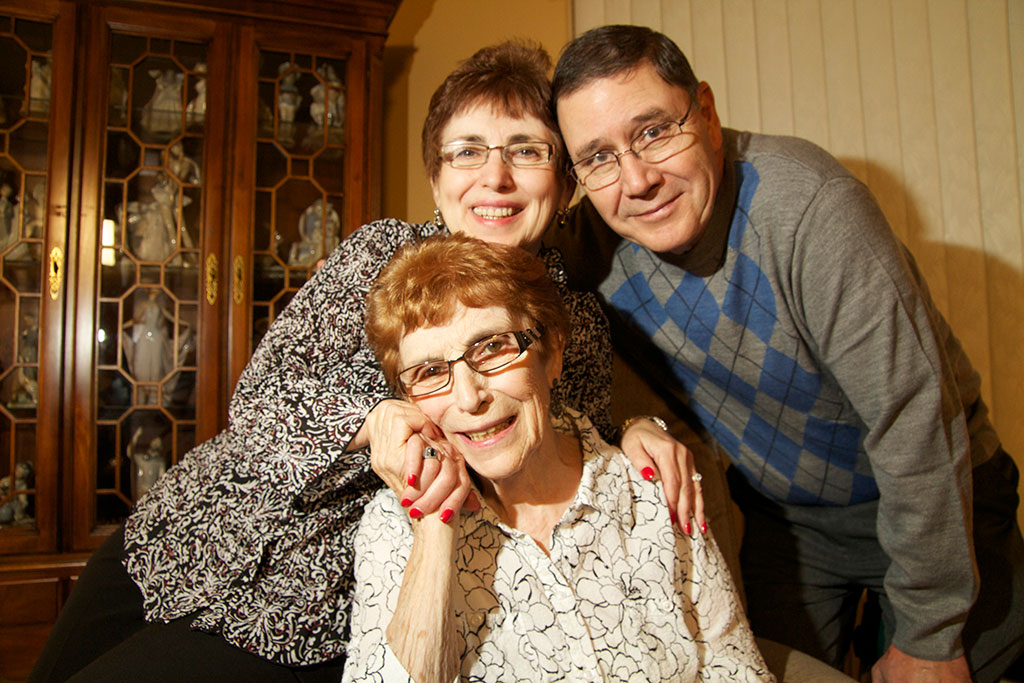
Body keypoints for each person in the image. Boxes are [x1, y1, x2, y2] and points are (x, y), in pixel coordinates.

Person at [29, 41, 700, 682]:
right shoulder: (378, 254)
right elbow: (259, 400)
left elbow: (571, 443)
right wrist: (370, 418)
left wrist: (642, 427)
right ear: (437, 180)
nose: (494, 176)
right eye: (466, 151)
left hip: (305, 606)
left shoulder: (571, 315)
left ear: (564, 182)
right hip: (190, 532)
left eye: (526, 150)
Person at [544, 23, 1024, 683]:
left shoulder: (808, 210)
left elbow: (916, 420)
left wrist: (931, 633)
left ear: (706, 113)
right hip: (789, 522)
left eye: (654, 130)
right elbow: (477, 288)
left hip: (942, 487)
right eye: (597, 156)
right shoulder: (588, 247)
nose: (636, 179)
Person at [343, 232, 772, 682]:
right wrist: (434, 528)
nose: (469, 398)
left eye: (492, 346)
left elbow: (735, 666)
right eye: (431, 373)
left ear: (552, 353)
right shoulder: (392, 526)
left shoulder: (649, 487)